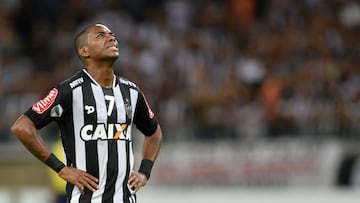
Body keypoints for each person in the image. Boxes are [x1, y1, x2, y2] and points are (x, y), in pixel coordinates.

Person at [11, 23, 163, 203]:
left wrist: (145, 171)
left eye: (112, 35)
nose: (112, 38)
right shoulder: (69, 90)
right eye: (101, 35)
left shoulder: (132, 91)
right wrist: (60, 168)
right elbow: (22, 127)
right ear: (84, 51)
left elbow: (154, 133)